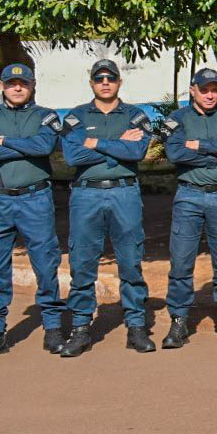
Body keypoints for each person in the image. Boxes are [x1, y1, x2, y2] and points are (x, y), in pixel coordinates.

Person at [0, 61, 65, 360]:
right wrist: (25, 145)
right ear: (3, 86)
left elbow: (45, 147)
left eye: (23, 83)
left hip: (36, 200)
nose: (17, 87)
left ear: (33, 85)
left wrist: (3, 140)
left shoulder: (45, 116)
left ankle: (54, 328)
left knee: (46, 265)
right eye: (10, 83)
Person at [58, 59, 154, 356]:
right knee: (83, 264)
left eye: (110, 78)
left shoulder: (136, 116)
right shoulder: (75, 117)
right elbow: (72, 157)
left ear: (119, 82)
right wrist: (115, 147)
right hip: (86, 197)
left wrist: (94, 143)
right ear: (91, 83)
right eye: (99, 78)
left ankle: (137, 327)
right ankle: (81, 329)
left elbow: (137, 151)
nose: (105, 82)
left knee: (131, 261)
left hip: (124, 195)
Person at [161, 67, 217, 348]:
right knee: (181, 262)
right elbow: (174, 152)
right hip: (188, 196)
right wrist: (214, 154)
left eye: (215, 89)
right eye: (204, 89)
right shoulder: (177, 119)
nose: (210, 94)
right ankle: (178, 322)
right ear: (193, 90)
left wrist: (197, 144)